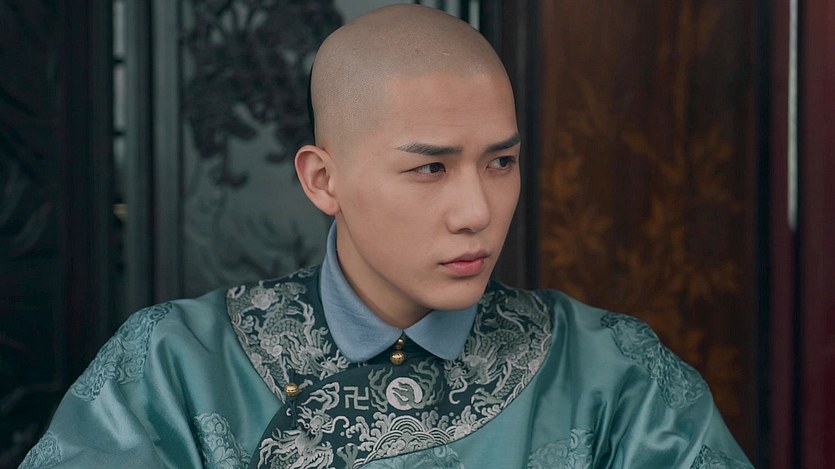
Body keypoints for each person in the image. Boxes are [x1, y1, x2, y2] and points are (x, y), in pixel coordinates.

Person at [22, 4, 754, 468]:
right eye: (430, 168)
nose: (476, 210)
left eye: (500, 162)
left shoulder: (617, 379)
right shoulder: (173, 368)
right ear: (322, 180)